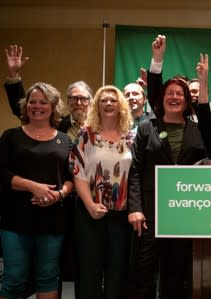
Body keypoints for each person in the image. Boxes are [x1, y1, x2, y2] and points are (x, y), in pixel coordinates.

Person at [128, 35, 207, 299]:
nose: (175, 97)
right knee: (144, 272)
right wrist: (136, 209)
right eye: (170, 93)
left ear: (187, 101)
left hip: (184, 214)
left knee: (177, 275)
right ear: (161, 98)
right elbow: (136, 171)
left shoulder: (198, 131)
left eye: (180, 94)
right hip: (149, 215)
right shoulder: (147, 127)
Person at [0, 82, 73, 299]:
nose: (37, 106)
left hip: (52, 219)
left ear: (53, 107)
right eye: (32, 102)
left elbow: (71, 178)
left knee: (48, 276)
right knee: (14, 278)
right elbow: (1, 173)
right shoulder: (11, 136)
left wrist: (58, 195)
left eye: (43, 102)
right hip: (15, 220)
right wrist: (33, 186)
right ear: (25, 105)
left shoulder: (65, 140)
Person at [70, 85, 134, 299]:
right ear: (96, 105)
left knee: (118, 272)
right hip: (90, 213)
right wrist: (90, 205)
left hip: (121, 215)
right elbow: (78, 172)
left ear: (121, 106)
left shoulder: (131, 137)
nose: (108, 103)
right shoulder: (86, 134)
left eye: (113, 100)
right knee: (90, 272)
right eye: (103, 100)